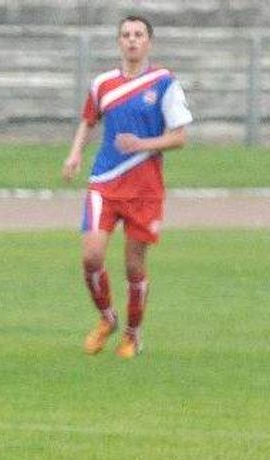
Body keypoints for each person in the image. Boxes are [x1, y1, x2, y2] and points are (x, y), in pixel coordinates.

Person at [63, 14, 192, 359]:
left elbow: (180, 138)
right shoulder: (103, 83)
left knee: (134, 265)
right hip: (104, 181)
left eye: (138, 34)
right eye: (125, 35)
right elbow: (88, 120)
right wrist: (75, 154)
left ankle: (133, 334)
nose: (132, 40)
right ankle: (107, 318)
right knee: (91, 255)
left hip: (145, 189)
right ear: (118, 42)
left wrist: (142, 145)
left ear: (149, 42)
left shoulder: (164, 83)